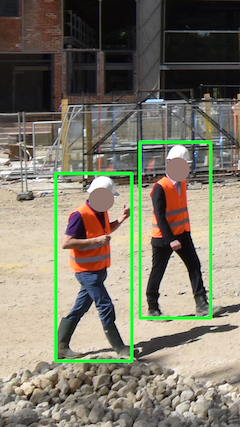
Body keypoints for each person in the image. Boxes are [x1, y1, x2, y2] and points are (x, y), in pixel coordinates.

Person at [58, 176, 132, 359]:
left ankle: (61, 346)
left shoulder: (101, 211)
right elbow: (66, 243)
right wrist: (95, 241)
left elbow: (104, 232)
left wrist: (120, 219)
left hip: (98, 270)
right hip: (86, 271)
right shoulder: (79, 215)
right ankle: (120, 348)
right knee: (105, 305)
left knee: (80, 307)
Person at [145, 145, 210, 319]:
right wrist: (170, 239)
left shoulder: (182, 183)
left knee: (194, 265)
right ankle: (152, 306)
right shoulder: (160, 187)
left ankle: (201, 303)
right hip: (163, 238)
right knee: (158, 271)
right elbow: (160, 216)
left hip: (182, 233)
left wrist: (182, 234)